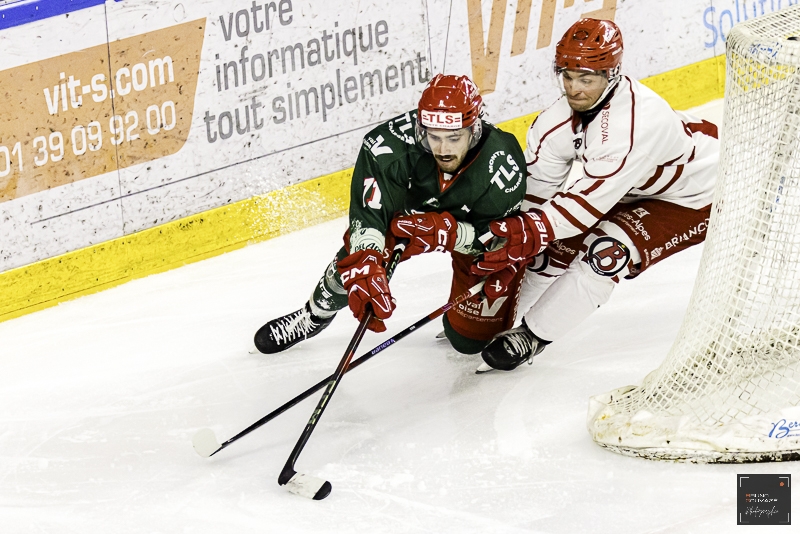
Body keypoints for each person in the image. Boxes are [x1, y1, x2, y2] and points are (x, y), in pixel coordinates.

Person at [471, 18, 719, 372]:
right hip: (630, 186)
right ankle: (497, 318)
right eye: (567, 77)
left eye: (586, 79)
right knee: (552, 249)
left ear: (612, 74)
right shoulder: (555, 122)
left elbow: (584, 207)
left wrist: (530, 232)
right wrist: (513, 236)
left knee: (606, 254)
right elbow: (539, 191)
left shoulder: (633, 124)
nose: (574, 89)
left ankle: (531, 335)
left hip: (694, 195)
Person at [254, 74, 528, 356]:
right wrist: (367, 264)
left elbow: (499, 244)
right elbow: (369, 218)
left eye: (454, 138)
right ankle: (314, 315)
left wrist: (451, 234)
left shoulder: (502, 163)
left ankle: (457, 321)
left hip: (465, 229)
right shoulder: (387, 144)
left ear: (474, 130)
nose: (443, 149)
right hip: (404, 224)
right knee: (355, 267)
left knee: (470, 341)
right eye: (434, 137)